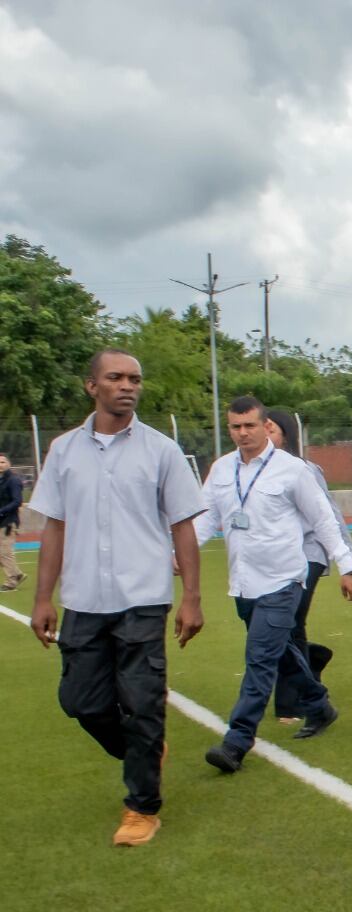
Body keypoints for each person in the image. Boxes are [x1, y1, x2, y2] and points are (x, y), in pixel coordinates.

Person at [27, 349, 205, 846]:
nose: (128, 386)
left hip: (142, 599)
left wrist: (191, 597)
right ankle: (144, 752)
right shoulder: (63, 451)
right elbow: (54, 527)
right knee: (80, 701)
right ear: (92, 386)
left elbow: (183, 527)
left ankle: (141, 808)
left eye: (135, 379)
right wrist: (43, 598)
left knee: (143, 702)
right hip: (83, 599)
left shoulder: (161, 451)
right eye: (116, 377)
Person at [194, 397, 352, 773]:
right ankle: (319, 705)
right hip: (243, 584)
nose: (242, 433)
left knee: (259, 659)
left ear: (264, 424)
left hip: (284, 581)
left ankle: (236, 742)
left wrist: (346, 564)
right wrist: (178, 552)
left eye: (249, 425)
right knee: (280, 651)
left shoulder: (292, 470)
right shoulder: (221, 470)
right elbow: (206, 520)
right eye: (235, 427)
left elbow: (323, 520)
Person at [261, 409, 352, 723]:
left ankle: (291, 703)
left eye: (271, 430)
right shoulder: (255, 474)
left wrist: (349, 559)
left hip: (310, 554)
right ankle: (313, 660)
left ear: (286, 435)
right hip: (277, 558)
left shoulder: (304, 469)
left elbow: (328, 514)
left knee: (288, 623)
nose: (265, 436)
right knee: (285, 626)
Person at [0, 453, 24, 590]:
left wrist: (2, 511)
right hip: (1, 521)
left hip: (8, 521)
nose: (0, 465)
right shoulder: (1, 481)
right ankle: (17, 573)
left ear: (8, 463)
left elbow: (17, 501)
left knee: (5, 552)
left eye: (3, 462)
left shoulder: (13, 480)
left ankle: (11, 581)